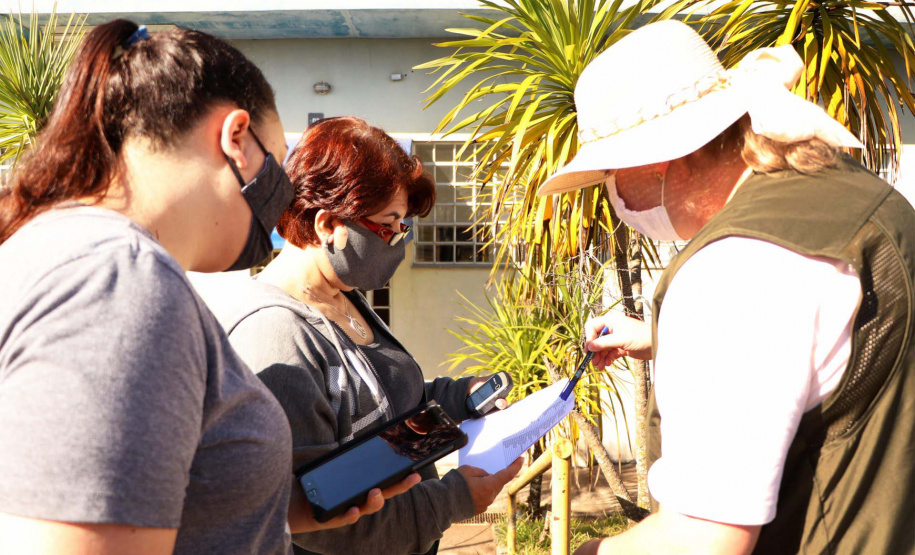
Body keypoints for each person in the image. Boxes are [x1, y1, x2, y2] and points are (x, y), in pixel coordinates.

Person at [0, 22, 414, 555]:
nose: (282, 199)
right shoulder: (120, 283)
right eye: (278, 169)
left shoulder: (53, 248)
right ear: (236, 139)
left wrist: (277, 506)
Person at [537, 20, 914, 555]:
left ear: (658, 157)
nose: (613, 193)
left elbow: (703, 540)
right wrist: (661, 339)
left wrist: (590, 553)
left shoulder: (734, 272)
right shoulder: (856, 199)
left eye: (610, 173)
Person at [213, 116, 522, 555]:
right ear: (327, 226)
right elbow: (318, 519)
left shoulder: (344, 296)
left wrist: (459, 397)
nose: (399, 240)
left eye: (404, 226)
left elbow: (387, 406)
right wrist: (453, 499)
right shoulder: (276, 332)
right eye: (388, 224)